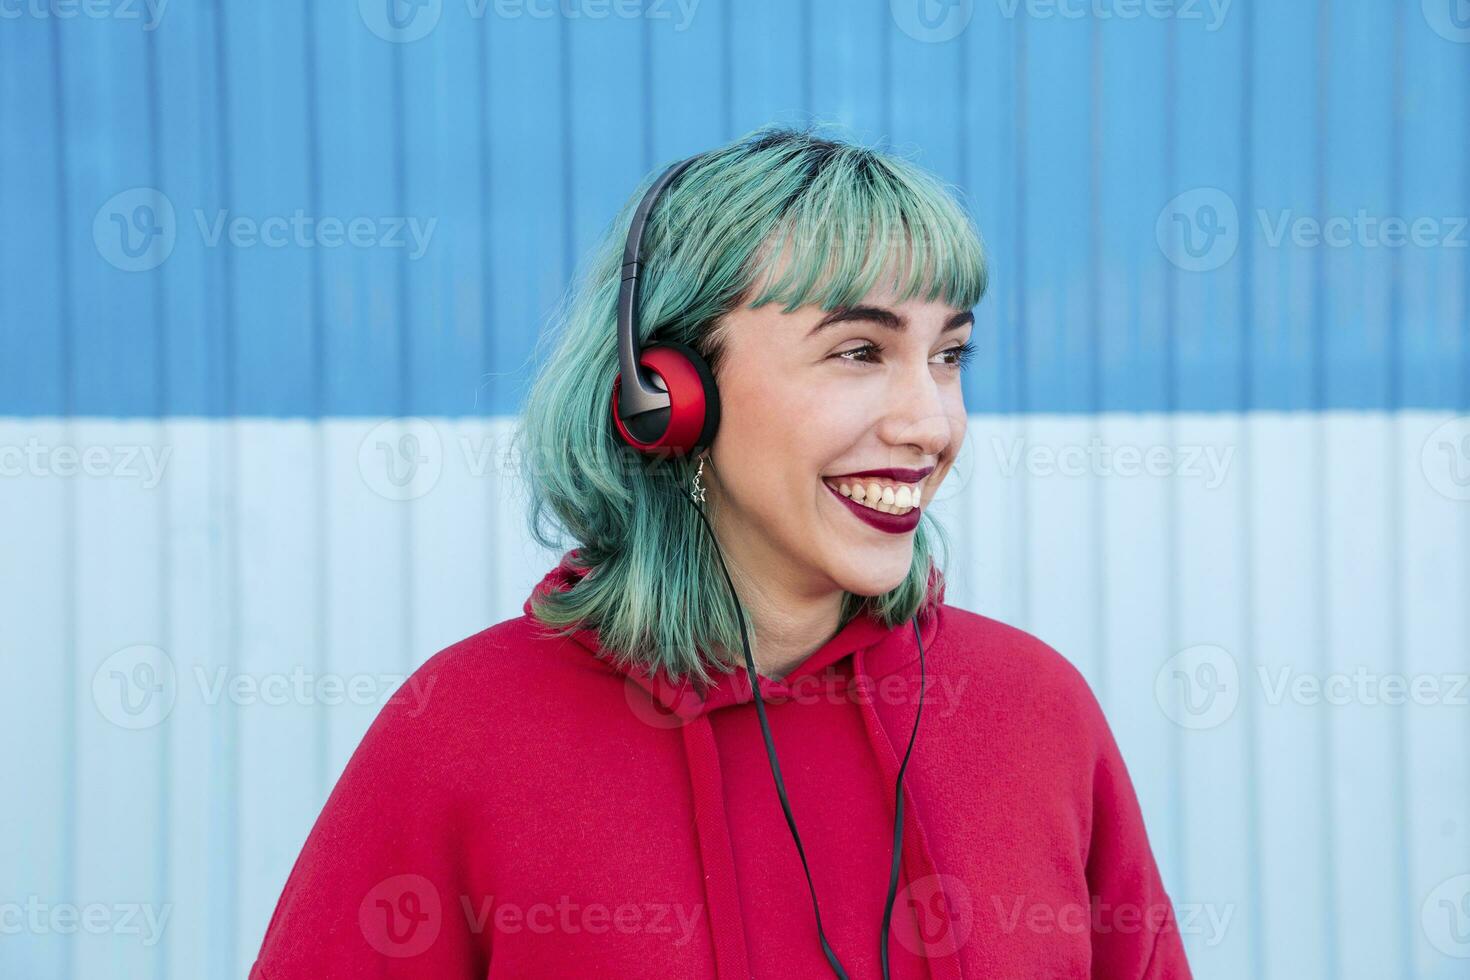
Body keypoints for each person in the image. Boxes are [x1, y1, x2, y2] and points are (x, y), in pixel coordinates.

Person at [248, 126, 1193, 978]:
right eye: (859, 351)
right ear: (668, 396)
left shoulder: (1033, 709)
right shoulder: (463, 731)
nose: (930, 421)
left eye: (949, 355)